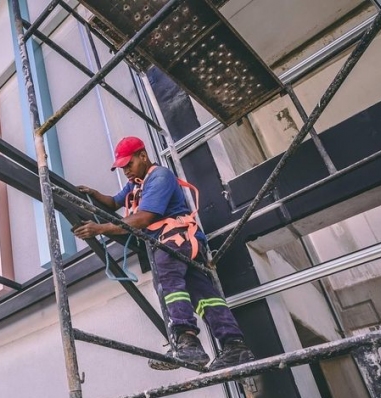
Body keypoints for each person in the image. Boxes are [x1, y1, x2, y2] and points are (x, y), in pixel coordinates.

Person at [74, 136, 255, 371]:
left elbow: (143, 217)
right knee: (203, 294)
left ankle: (187, 343)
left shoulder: (160, 176)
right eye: (122, 167)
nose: (126, 171)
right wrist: (94, 193)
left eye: (129, 164)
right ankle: (235, 346)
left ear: (143, 156)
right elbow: (114, 202)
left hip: (174, 240)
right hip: (184, 244)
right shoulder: (136, 183)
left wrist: (101, 229)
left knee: (170, 284)